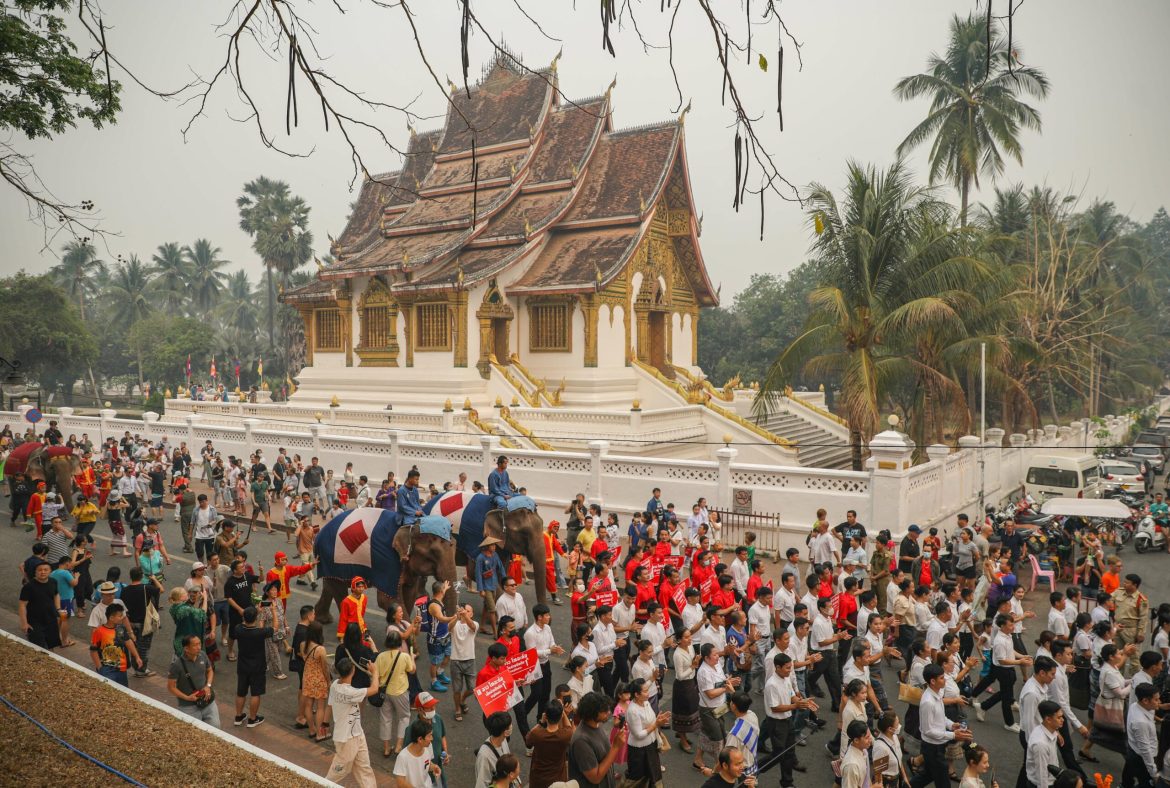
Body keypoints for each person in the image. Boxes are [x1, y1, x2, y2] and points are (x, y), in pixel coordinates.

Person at [325, 655, 381, 787]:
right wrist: (375, 672)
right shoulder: (350, 692)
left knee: (364, 769)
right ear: (353, 671)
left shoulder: (334, 685)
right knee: (337, 773)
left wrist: (325, 722)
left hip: (356, 734)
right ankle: (320, 784)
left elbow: (330, 704)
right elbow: (374, 689)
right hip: (347, 739)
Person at [914, 663, 973, 788]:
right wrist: (953, 735)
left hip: (938, 744)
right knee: (943, 782)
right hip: (932, 747)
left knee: (927, 775)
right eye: (941, 678)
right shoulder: (928, 702)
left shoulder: (938, 692)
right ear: (932, 681)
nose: (944, 679)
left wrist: (952, 725)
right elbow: (928, 730)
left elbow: (941, 717)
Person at [974, 613, 1032, 731]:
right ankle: (1009, 723)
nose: (1013, 627)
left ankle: (983, 706)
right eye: (1011, 625)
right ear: (1002, 626)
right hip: (1003, 670)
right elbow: (1002, 661)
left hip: (1009, 669)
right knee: (1006, 698)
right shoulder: (1000, 641)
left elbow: (1011, 651)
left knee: (1006, 694)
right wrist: (1020, 662)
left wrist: (1023, 656)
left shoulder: (1008, 635)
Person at [568, 691, 625, 788]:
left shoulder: (596, 725)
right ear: (592, 714)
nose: (609, 712)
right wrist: (615, 747)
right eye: (604, 711)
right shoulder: (581, 741)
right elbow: (595, 778)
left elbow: (604, 756)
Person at [233, 605, 273, 727]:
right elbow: (274, 627)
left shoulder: (238, 629)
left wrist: (254, 612)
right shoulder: (260, 633)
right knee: (255, 693)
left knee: (241, 692)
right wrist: (273, 611)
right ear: (255, 618)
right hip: (257, 667)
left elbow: (244, 622)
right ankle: (252, 719)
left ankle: (238, 716)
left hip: (242, 666)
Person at [168, 633, 219, 726]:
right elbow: (171, 687)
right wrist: (187, 698)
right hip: (188, 707)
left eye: (199, 644)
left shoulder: (203, 655)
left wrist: (208, 686)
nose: (199, 647)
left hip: (207, 701)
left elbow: (210, 670)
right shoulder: (177, 665)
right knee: (195, 732)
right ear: (186, 648)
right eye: (195, 645)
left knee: (216, 728)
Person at [89, 602, 141, 686]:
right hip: (107, 669)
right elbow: (93, 651)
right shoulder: (98, 632)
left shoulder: (121, 629)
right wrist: (99, 667)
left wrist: (137, 656)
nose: (122, 618)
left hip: (122, 668)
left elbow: (128, 642)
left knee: (124, 691)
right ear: (111, 618)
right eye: (120, 616)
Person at [526, 699, 573, 788]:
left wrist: (541, 722)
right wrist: (562, 712)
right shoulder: (565, 735)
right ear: (560, 717)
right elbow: (568, 727)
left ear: (546, 716)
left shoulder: (537, 734)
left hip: (538, 779)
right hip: (558, 780)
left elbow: (528, 741)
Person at [301, 622, 332, 741]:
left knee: (308, 706)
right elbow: (325, 667)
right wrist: (328, 681)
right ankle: (320, 733)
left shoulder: (303, 644)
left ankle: (312, 730)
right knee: (320, 708)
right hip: (319, 680)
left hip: (307, 678)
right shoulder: (320, 649)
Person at [19, 560, 61, 649]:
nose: (43, 572)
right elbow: (22, 605)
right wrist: (24, 623)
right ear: (35, 572)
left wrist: (58, 609)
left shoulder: (53, 581)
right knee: (38, 647)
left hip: (51, 619)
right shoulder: (28, 587)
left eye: (46, 570)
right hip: (34, 621)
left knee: (51, 645)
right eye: (40, 570)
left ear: (50, 571)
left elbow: (56, 594)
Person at [1126, 682, 1159, 788]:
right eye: (1156, 699)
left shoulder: (1135, 705)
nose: (1159, 702)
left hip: (1135, 751)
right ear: (1145, 700)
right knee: (1145, 784)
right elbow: (1145, 750)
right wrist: (1154, 774)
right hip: (1141, 759)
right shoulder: (1141, 722)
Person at [1024, 700, 1064, 788]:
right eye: (1059, 717)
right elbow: (1041, 775)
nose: (1062, 720)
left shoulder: (1050, 731)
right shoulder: (1040, 744)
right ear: (1048, 719)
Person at [450, 602, 478, 721]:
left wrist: (464, 616)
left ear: (471, 614)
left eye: (468, 611)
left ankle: (462, 700)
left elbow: (472, 626)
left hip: (470, 660)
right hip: (455, 660)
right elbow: (448, 627)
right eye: (464, 610)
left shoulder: (474, 624)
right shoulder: (455, 623)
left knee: (472, 688)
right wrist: (456, 616)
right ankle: (457, 708)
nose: (465, 612)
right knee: (457, 689)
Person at [476, 711, 514, 787]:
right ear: (505, 732)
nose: (512, 726)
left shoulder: (503, 740)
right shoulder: (484, 756)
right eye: (510, 725)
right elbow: (482, 784)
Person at [840, 718, 873, 788]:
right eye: (867, 737)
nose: (870, 739)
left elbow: (866, 776)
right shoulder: (851, 766)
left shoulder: (863, 749)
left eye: (870, 735)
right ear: (856, 740)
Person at [337, 575, 371, 643]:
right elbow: (343, 619)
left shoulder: (364, 598)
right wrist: (341, 636)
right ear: (353, 587)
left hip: (361, 629)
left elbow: (361, 616)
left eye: (362, 586)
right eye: (359, 587)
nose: (361, 589)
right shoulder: (346, 602)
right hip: (351, 630)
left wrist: (364, 628)